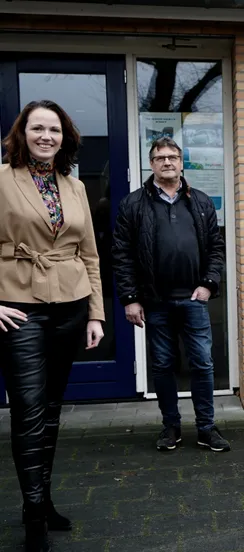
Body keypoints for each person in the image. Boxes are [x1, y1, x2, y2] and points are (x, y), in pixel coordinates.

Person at [0, 100, 105, 551]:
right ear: (22, 133)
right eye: (38, 128)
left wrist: (96, 313)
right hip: (19, 306)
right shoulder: (2, 180)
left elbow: (91, 254)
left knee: (51, 411)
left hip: (71, 305)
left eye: (55, 130)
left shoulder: (75, 186)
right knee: (27, 411)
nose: (46, 136)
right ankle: (33, 516)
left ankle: (42, 501)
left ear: (65, 138)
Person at [112, 137, 230, 453]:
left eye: (173, 157)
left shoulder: (202, 202)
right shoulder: (133, 204)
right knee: (163, 365)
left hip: (194, 299)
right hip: (155, 300)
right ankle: (171, 426)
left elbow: (216, 249)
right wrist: (130, 298)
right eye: (160, 157)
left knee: (203, 364)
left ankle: (206, 428)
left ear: (181, 163)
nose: (167, 162)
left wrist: (209, 283)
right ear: (151, 164)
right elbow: (122, 254)